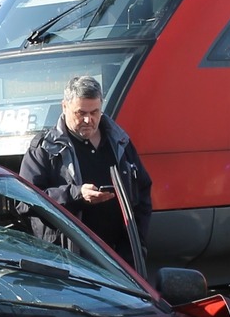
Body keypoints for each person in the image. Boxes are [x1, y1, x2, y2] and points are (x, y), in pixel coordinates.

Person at [20, 75, 154, 270]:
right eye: (80, 112)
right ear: (64, 107)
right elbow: (24, 201)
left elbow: (142, 191)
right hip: (67, 263)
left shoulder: (119, 142)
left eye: (94, 112)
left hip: (121, 260)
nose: (88, 120)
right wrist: (76, 194)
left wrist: (136, 245)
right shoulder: (44, 148)